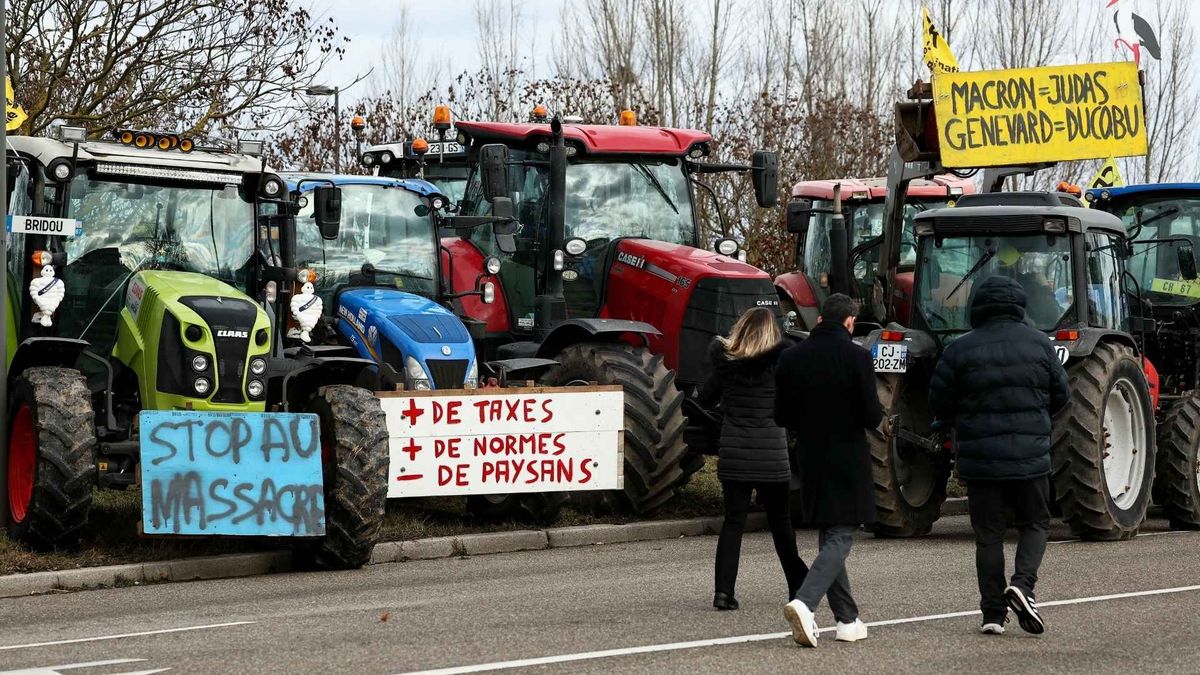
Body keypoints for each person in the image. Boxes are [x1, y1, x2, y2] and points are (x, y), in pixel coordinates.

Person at [929, 275, 1070, 636]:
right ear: (1019, 306)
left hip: (980, 462)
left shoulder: (959, 349)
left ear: (979, 305)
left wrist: (957, 420)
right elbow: (1063, 397)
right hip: (1030, 458)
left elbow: (939, 402)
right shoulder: (1040, 345)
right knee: (1035, 524)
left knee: (988, 536)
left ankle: (993, 614)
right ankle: (1023, 586)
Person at [775, 293, 881, 647]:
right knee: (841, 535)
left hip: (810, 454)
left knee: (829, 534)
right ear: (850, 322)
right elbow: (871, 415)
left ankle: (847, 620)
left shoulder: (791, 357)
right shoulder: (858, 356)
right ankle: (805, 602)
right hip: (848, 454)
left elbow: (781, 416)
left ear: (821, 320)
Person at [698, 307, 808, 612]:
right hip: (772, 456)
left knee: (733, 522)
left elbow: (703, 400)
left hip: (735, 456)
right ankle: (797, 588)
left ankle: (723, 592)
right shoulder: (782, 366)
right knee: (781, 523)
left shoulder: (725, 367)